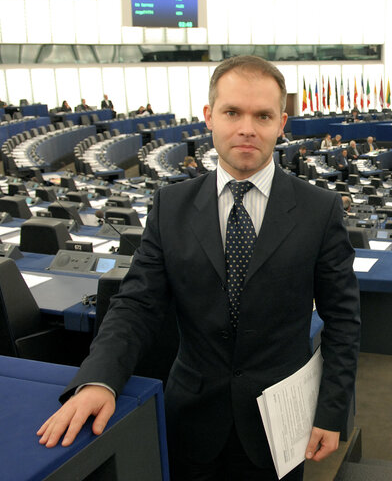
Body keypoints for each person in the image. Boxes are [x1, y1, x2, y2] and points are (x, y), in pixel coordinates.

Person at [37, 55, 361, 480]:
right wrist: (98, 379)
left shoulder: (320, 210)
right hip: (189, 418)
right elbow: (136, 304)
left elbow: (343, 320)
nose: (247, 127)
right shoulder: (170, 206)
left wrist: (331, 409)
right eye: (232, 112)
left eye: (262, 115)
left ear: (282, 124)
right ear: (209, 117)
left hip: (280, 423)